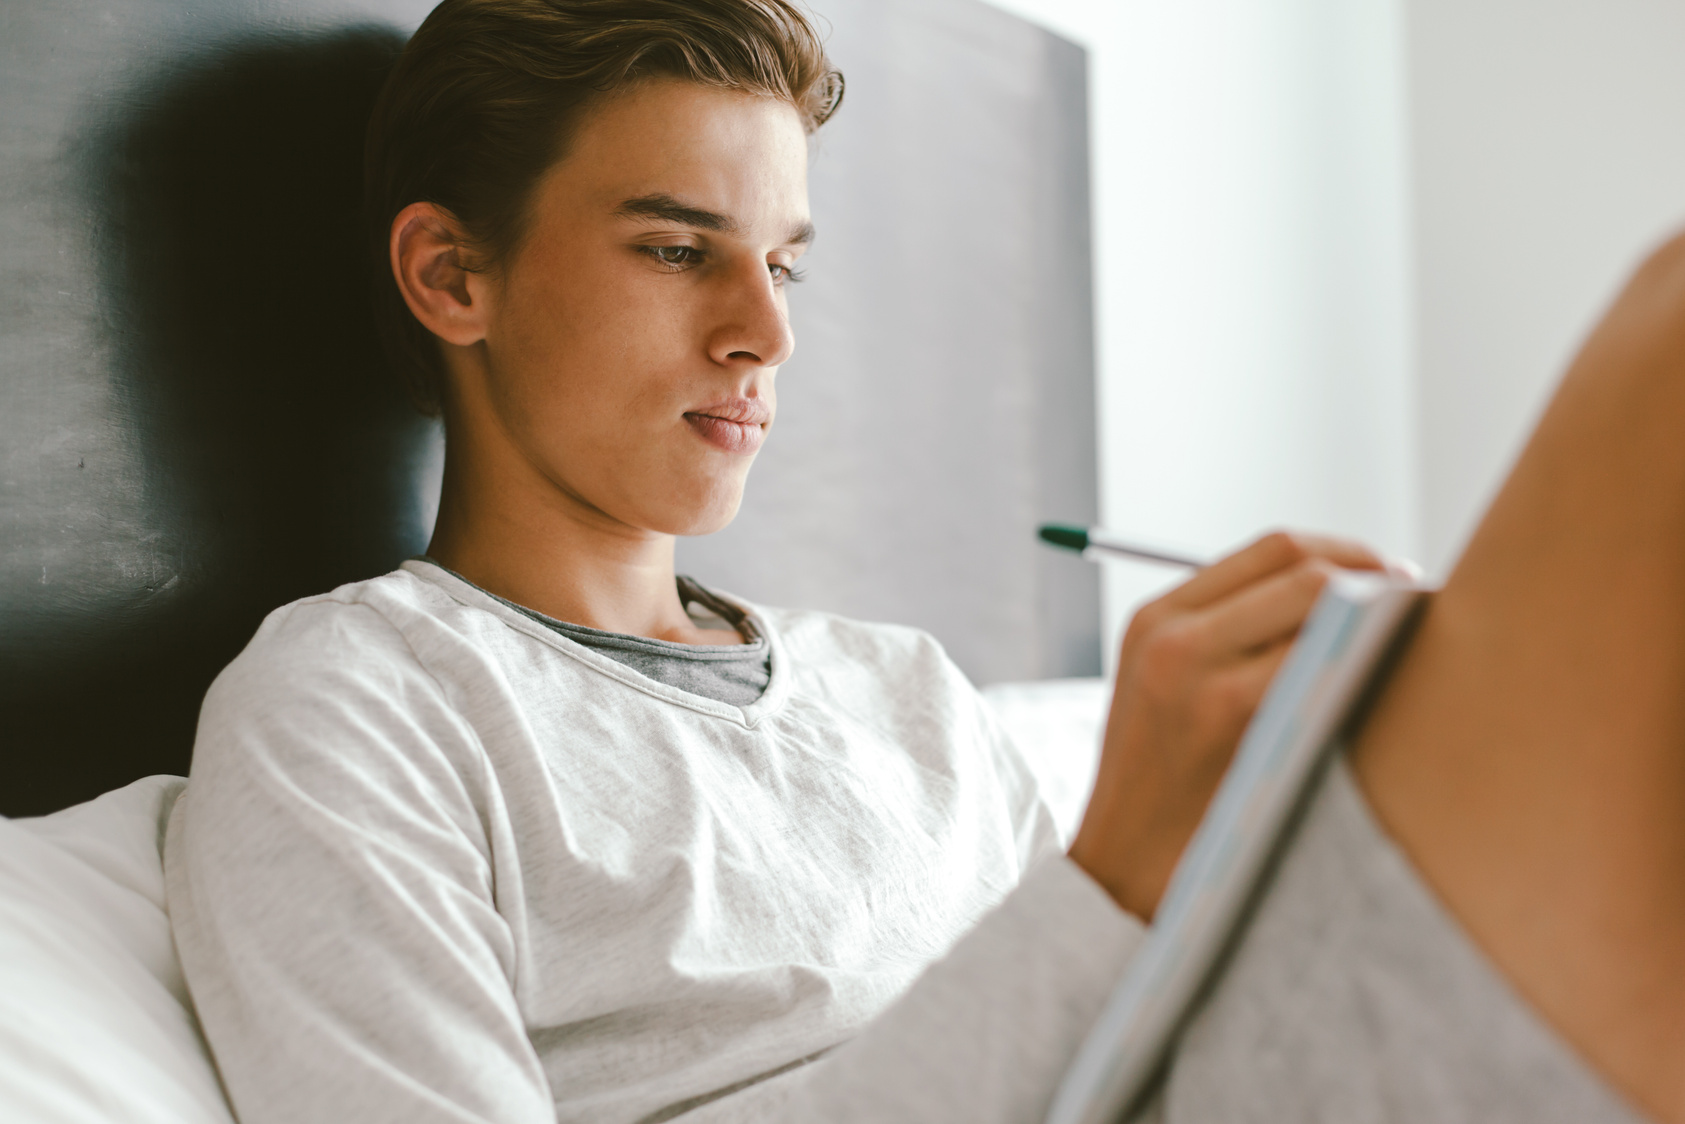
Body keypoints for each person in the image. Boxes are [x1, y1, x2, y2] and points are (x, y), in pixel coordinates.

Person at [164, 2, 1400, 1122]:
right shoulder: (358, 707)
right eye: (674, 249)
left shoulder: (908, 691)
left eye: (785, 261)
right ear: (451, 273)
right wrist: (1117, 866)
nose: (767, 332)